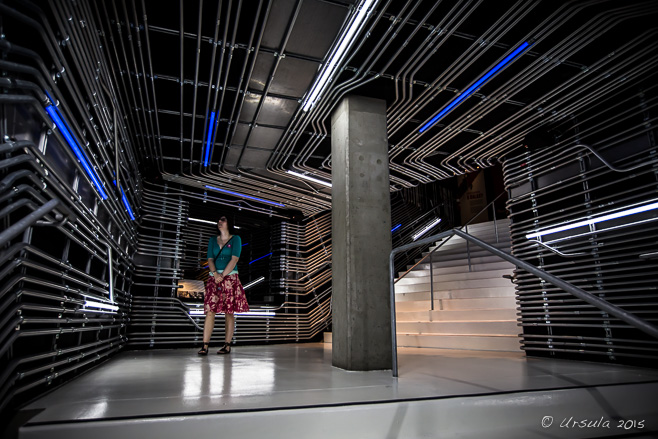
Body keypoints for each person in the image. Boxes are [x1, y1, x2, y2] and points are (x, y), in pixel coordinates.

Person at [198, 215, 249, 355]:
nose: (219, 222)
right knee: (210, 310)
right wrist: (215, 274)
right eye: (219, 220)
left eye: (223, 220)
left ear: (229, 223)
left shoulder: (236, 239)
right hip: (213, 277)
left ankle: (227, 345)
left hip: (230, 277)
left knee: (229, 311)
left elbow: (234, 259)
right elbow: (209, 258)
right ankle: (205, 345)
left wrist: (223, 275)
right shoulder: (213, 240)